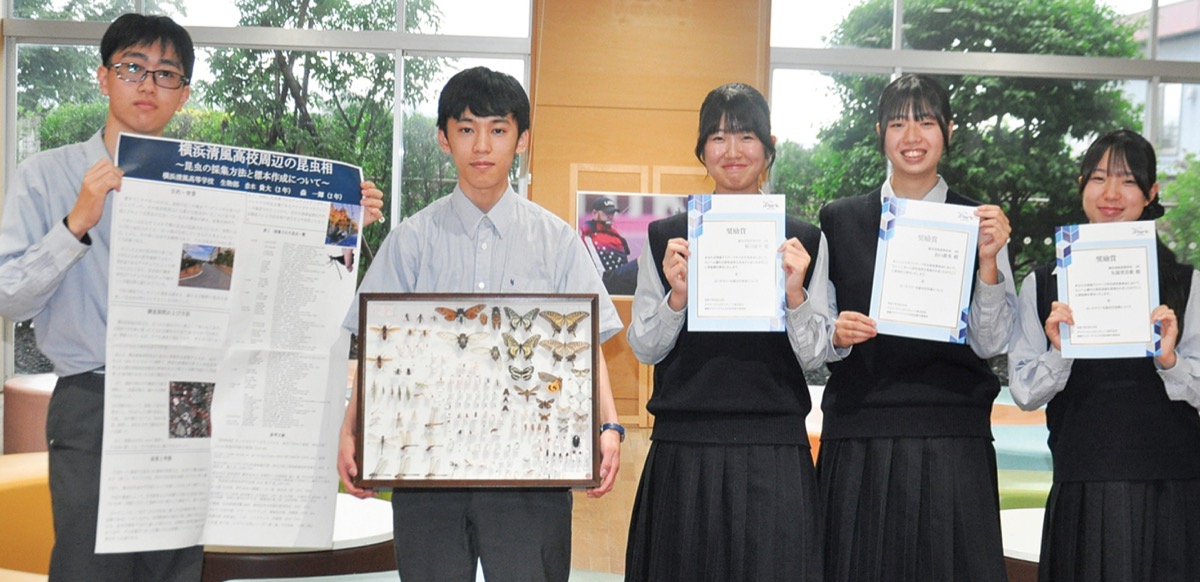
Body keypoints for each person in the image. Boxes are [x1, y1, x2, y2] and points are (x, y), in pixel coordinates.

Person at [0, 14, 383, 581]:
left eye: (166, 74)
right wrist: (75, 224)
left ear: (183, 94)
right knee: (90, 567)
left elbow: (263, 278)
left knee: (175, 564)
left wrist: (341, 225)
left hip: (191, 395)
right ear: (104, 78)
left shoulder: (207, 181)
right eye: (132, 68)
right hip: (97, 399)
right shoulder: (47, 176)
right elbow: (11, 298)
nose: (148, 85)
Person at [335, 66, 625, 582]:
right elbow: (377, 344)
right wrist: (352, 426)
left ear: (522, 140)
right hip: (426, 468)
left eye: (498, 129)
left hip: (531, 472)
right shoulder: (411, 241)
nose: (483, 145)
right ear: (444, 138)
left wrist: (609, 425)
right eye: (467, 129)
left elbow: (585, 347)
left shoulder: (557, 242)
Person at [623, 82, 827, 581]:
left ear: (768, 147)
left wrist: (795, 296)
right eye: (718, 138)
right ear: (701, 151)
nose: (732, 151)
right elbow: (644, 347)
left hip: (774, 448)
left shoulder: (803, 241)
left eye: (746, 136)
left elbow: (817, 357)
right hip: (684, 448)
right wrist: (677, 297)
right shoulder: (666, 238)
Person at [816, 73, 1015, 582]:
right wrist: (836, 333)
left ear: (948, 130)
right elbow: (815, 339)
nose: (912, 136)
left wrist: (988, 264)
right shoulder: (839, 220)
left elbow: (992, 342)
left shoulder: (980, 222)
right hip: (860, 432)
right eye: (898, 123)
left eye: (926, 122)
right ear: (880, 132)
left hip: (953, 436)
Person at [1009, 129, 1200, 581]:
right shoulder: (1043, 283)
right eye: (1098, 178)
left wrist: (1170, 362)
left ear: (1151, 193)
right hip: (1081, 483)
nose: (1111, 193)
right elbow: (1023, 392)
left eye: (1128, 181)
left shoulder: (1188, 285)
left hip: (1170, 489)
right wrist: (1060, 352)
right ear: (1082, 185)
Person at [580, 196, 638, 294]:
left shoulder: (617, 237)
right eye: (606, 213)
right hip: (605, 285)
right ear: (594, 213)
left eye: (612, 213)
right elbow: (600, 274)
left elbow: (624, 264)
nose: (610, 216)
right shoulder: (589, 235)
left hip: (619, 282)